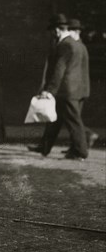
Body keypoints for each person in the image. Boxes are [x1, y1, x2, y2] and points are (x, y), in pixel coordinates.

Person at [28, 14, 89, 160]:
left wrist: (49, 91)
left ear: (57, 30)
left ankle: (81, 151)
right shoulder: (78, 45)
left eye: (52, 31)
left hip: (66, 91)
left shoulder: (65, 45)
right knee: (55, 120)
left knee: (73, 122)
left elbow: (59, 70)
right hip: (73, 90)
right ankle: (45, 147)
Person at [68, 19, 98, 149]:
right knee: (73, 118)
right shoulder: (80, 46)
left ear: (76, 32)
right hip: (80, 89)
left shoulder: (76, 47)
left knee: (73, 119)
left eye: (70, 31)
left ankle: (87, 136)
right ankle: (76, 146)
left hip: (76, 90)